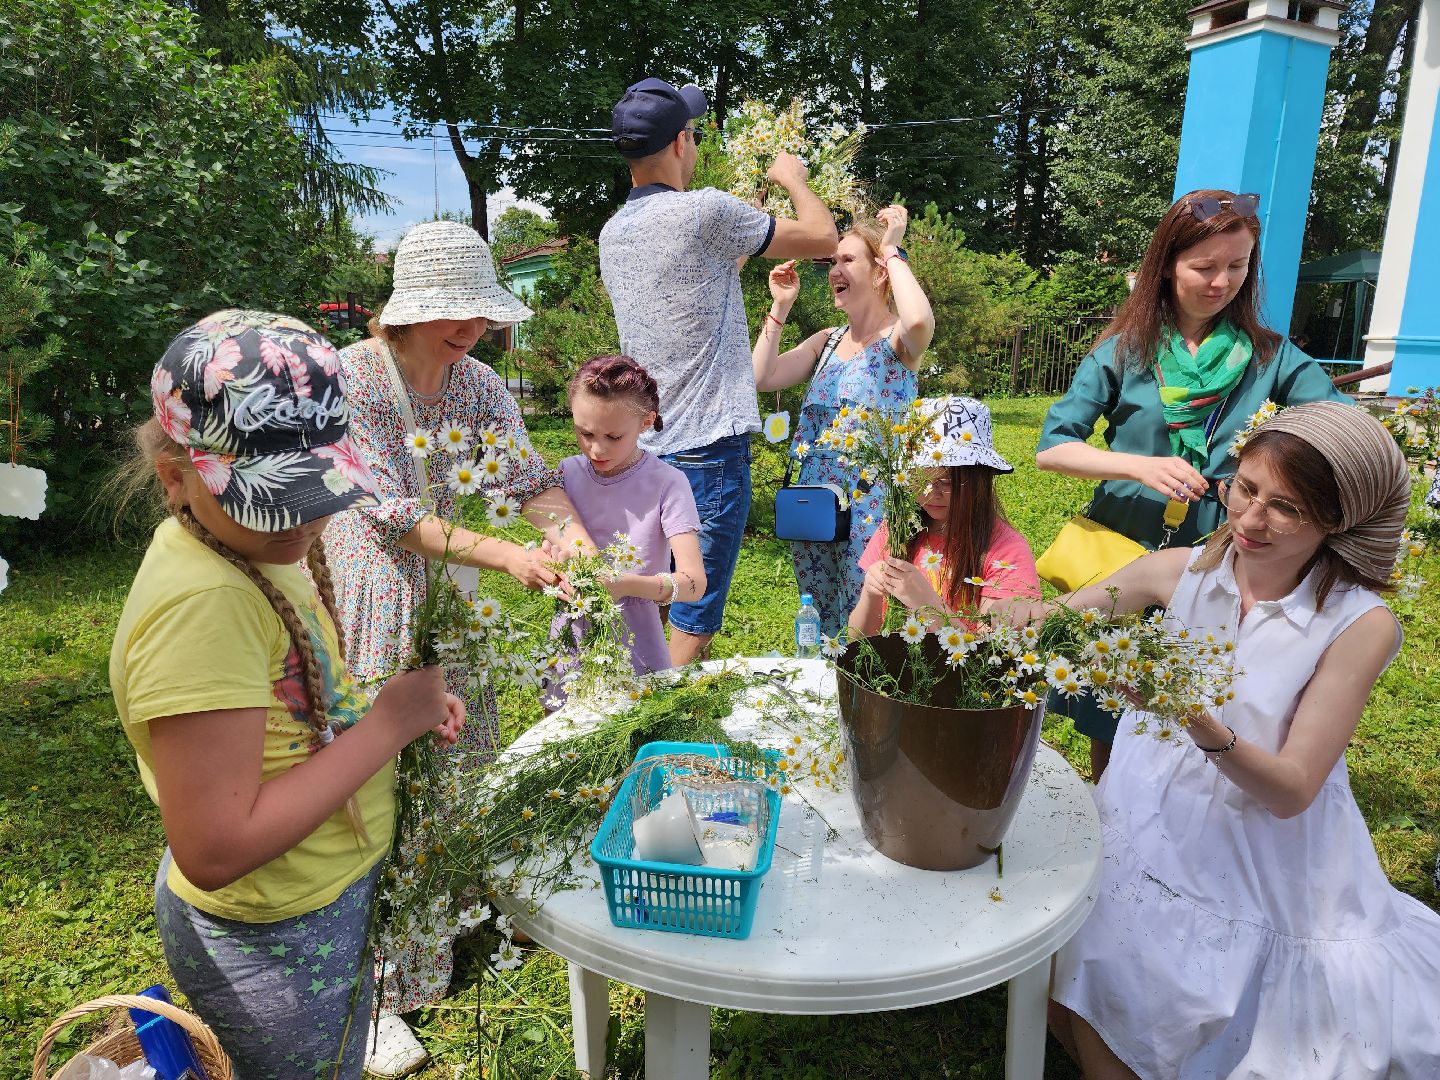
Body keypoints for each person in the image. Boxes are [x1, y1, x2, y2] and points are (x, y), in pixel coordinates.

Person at [1024, 401, 1440, 1078]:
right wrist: (941, 604)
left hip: (1258, 849)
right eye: (1246, 488)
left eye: (1287, 508)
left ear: (1337, 521)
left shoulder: (1358, 624)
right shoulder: (1180, 570)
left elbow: (1293, 791)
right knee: (1065, 967)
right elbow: (1049, 621)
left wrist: (1192, 716)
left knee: (1211, 1011)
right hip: (1144, 811)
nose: (1250, 520)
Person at [109, 310, 464, 1079]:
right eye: (275, 498)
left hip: (316, 896)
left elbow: (286, 703)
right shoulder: (205, 605)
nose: (304, 520)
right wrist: (386, 729)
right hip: (274, 937)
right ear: (177, 477)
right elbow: (214, 847)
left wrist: (387, 708)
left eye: (317, 489)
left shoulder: (243, 546)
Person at [320, 220, 594, 1075]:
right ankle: (375, 991)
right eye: (453, 311)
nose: (472, 327)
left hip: (451, 583)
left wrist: (570, 537)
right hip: (376, 589)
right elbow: (388, 512)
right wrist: (508, 553)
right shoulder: (351, 376)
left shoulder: (477, 383)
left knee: (462, 748)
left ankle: (445, 902)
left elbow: (526, 480)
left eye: (479, 310)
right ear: (405, 309)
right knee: (383, 776)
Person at [1036, 189, 1348, 778]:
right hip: (1126, 546)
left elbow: (1339, 431)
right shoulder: (1125, 351)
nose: (1221, 281)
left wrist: (1261, 481)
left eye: (1238, 265)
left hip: (1225, 554)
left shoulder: (1270, 359)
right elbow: (1053, 448)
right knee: (1114, 697)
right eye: (1204, 267)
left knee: (1206, 701)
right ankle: (1114, 815)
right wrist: (1139, 466)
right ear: (1167, 265)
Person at [599, 76, 839, 666]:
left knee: (650, 596)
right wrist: (795, 181)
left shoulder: (615, 233)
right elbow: (822, 236)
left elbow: (707, 265)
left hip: (645, 450)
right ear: (681, 142)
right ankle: (648, 733)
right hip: (708, 450)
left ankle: (626, 700)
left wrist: (751, 229)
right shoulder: (705, 209)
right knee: (694, 612)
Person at [754, 204, 935, 637]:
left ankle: (859, 697)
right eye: (832, 261)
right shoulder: (827, 341)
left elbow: (919, 318)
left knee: (862, 619)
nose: (835, 269)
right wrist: (780, 308)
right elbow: (762, 376)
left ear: (878, 275)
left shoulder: (899, 343)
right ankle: (823, 692)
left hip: (870, 505)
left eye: (847, 259)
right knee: (815, 614)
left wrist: (892, 250)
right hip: (814, 503)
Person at [558, 354, 707, 674]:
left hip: (636, 648)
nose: (597, 449)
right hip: (570, 642)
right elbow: (555, 546)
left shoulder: (667, 483)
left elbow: (694, 583)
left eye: (613, 437)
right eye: (585, 433)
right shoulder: (567, 474)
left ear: (646, 421)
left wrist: (625, 584)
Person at [849, 397, 1039, 637]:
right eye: (919, 479)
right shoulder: (896, 531)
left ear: (980, 479)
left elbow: (991, 657)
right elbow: (857, 640)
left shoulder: (1005, 550)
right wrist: (871, 592)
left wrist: (927, 603)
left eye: (946, 481)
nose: (931, 492)